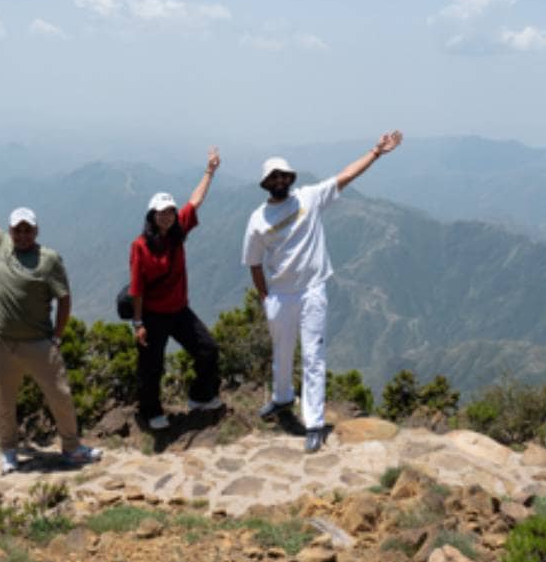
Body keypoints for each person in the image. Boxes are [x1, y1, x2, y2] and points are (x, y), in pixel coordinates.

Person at [242, 131, 403, 453]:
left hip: (312, 291)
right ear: (265, 183)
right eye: (273, 177)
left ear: (290, 178)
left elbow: (345, 176)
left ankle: (313, 422)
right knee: (282, 353)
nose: (279, 180)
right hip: (280, 296)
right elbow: (254, 263)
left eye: (283, 175)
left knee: (313, 357)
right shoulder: (258, 220)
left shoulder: (309, 198)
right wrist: (266, 297)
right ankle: (282, 398)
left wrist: (376, 152)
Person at [0, 159, 102, 474]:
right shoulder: (2, 245)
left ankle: (71, 448)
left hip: (38, 343)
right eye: (17, 229)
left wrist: (57, 336)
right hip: (3, 343)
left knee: (60, 395)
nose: (21, 234)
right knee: (5, 402)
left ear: (36, 230)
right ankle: (8, 452)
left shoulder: (48, 260)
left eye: (27, 229)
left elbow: (65, 299)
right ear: (11, 230)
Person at [129, 148, 223, 430]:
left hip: (180, 310)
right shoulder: (141, 246)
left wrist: (210, 171)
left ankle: (200, 396)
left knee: (208, 349)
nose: (167, 217)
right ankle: (150, 412)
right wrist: (138, 323)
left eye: (170, 212)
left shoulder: (178, 232)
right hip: (153, 315)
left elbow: (195, 201)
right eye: (161, 213)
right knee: (151, 366)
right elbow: (137, 287)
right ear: (151, 216)